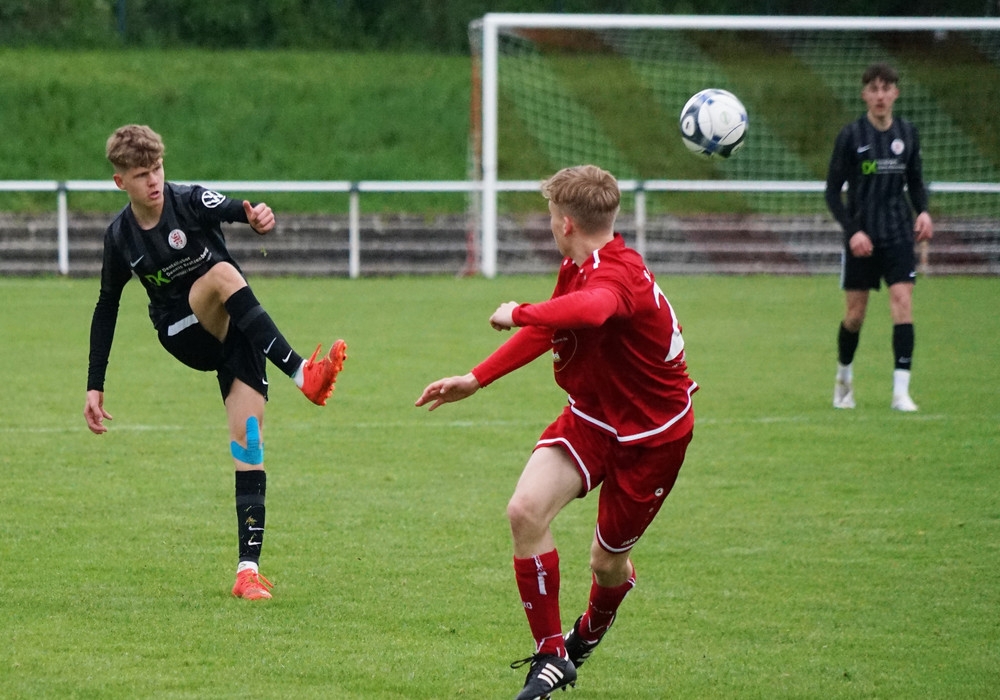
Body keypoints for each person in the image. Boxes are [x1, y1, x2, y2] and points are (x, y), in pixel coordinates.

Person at [415, 165, 697, 700]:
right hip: (591, 417)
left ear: (566, 223)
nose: (549, 225)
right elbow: (557, 325)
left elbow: (593, 310)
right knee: (525, 511)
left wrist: (518, 311)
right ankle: (551, 656)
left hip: (651, 439)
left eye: (550, 216)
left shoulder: (618, 276)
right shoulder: (578, 266)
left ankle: (586, 634)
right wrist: (476, 378)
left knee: (607, 564)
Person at [84, 124, 347, 600]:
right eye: (141, 174)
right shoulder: (120, 237)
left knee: (249, 442)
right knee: (224, 273)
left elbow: (237, 209)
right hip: (183, 333)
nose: (154, 180)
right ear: (120, 181)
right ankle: (302, 373)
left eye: (157, 168)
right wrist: (94, 383)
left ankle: (247, 573)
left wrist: (258, 216)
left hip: (237, 330)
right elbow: (107, 306)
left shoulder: (189, 200)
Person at [825, 62, 934, 412]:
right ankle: (844, 380)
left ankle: (901, 393)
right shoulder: (851, 136)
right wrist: (853, 231)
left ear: (895, 93)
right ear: (865, 95)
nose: (880, 96)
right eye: (873, 89)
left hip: (898, 233)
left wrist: (923, 211)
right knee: (855, 316)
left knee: (902, 303)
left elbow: (915, 181)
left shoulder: (908, 133)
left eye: (886, 89)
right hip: (862, 238)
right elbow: (832, 193)